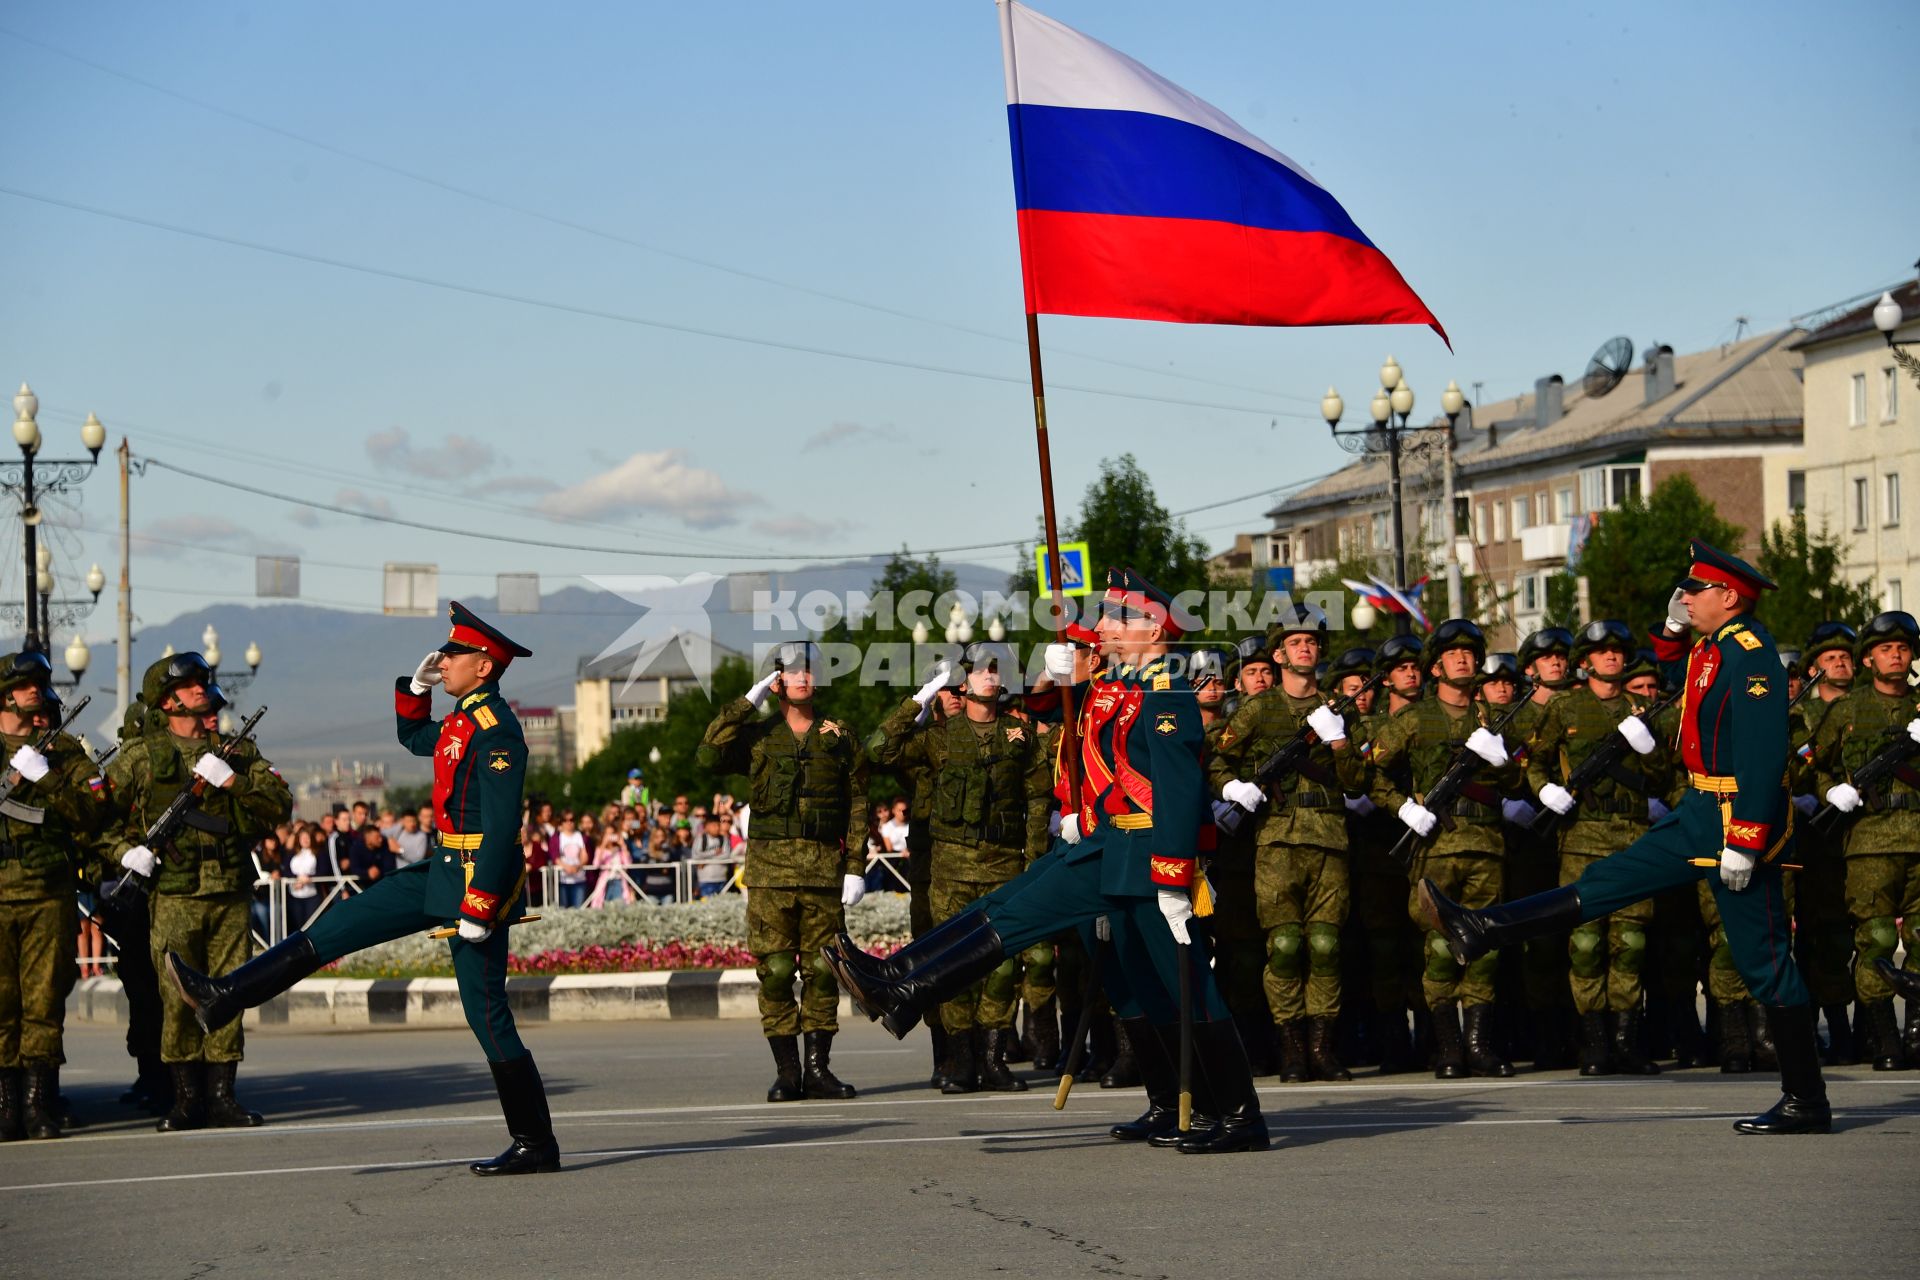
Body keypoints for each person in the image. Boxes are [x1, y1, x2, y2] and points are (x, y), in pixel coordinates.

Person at [828, 568, 1269, 1154]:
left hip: (1144, 858)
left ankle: (1240, 1117)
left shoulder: (1167, 692)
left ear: (1154, 628)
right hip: (1107, 849)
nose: (1104, 628)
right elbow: (1052, 708)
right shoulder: (1121, 685)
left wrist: (1172, 877)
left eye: (1116, 619)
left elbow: (1180, 790)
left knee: (1181, 984)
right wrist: (1049, 677)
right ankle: (900, 979)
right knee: (1118, 970)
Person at [1423, 540, 1832, 1134]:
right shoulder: (1714, 647)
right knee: (1608, 879)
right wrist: (1670, 630)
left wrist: (1745, 838)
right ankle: (1484, 928)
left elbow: (1767, 753)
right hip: (1700, 807)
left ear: (1728, 596)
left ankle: (1807, 1099)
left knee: (1763, 963)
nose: (1686, 598)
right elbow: (1681, 676)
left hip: (1739, 818)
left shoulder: (1752, 654)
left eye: (1695, 591)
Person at [165, 601, 561, 1174]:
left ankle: (535, 1142)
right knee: (337, 926)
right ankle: (224, 996)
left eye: (453, 655)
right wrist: (416, 689)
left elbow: (502, 829)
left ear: (484, 665)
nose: (443, 660)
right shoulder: (462, 721)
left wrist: (481, 903)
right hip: (443, 870)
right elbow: (413, 737)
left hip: (478, 883)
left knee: (487, 1015)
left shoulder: (497, 731)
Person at [108, 653, 293, 1132]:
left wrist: (231, 781)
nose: (202, 691)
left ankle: (222, 1096)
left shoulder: (237, 752)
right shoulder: (141, 757)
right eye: (191, 686)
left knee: (229, 991)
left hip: (229, 890)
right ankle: (186, 1098)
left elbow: (280, 805)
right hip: (174, 895)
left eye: (202, 684)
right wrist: (127, 852)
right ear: (169, 701)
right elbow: (95, 817)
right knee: (176, 997)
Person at [869, 642, 1051, 1093]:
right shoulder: (939, 737)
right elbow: (878, 749)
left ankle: (993, 1059)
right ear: (963, 681)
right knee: (952, 969)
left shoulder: (1019, 735)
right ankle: (960, 1061)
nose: (990, 676)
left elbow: (1038, 797)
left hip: (1005, 866)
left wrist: (1034, 863)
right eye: (980, 670)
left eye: (996, 669)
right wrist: (919, 698)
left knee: (1003, 967)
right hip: (949, 867)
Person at [697, 640, 866, 1102]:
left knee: (822, 970)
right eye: (792, 671)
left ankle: (818, 1070)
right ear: (777, 682)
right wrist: (745, 703)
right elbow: (708, 755)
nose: (804, 677)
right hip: (770, 873)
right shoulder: (758, 736)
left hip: (823, 872)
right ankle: (787, 1072)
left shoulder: (839, 736)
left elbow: (857, 804)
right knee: (773, 971)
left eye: (810, 670)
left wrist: (855, 866)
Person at [1366, 620, 1526, 1080]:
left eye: (1470, 653)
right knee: (1439, 948)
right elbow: (1369, 775)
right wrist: (1403, 809)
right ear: (1435, 667)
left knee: (1485, 946)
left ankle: (1478, 1045)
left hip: (1486, 847)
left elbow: (1518, 785)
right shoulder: (1414, 719)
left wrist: (1501, 760)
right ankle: (1448, 1048)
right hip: (1433, 849)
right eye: (1453, 654)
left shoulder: (1491, 719)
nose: (1463, 659)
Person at [1210, 607, 1362, 1083]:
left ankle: (1322, 1049)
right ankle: (1292, 1049)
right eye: (1296, 643)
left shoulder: (1340, 708)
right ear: (1278, 655)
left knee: (1326, 945)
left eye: (1312, 642)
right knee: (1285, 946)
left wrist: (1339, 744)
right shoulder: (1259, 708)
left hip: (1330, 839)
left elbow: (1357, 782)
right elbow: (1216, 760)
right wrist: (1233, 788)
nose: (1306, 649)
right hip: (1276, 840)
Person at [1524, 620, 1669, 1075]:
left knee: (1629, 942)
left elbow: (1667, 773)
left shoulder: (1644, 709)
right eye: (1601, 652)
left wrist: (1650, 749)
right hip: (1582, 838)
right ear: (1584, 662)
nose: (1611, 658)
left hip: (1631, 837)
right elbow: (1535, 762)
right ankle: (1594, 1044)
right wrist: (1545, 792)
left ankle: (1627, 1043)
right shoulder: (1564, 706)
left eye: (1618, 651)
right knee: (1586, 943)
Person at [0, 652, 111, 1140]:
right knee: (1, 1004)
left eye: (42, 687)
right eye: (28, 687)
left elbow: (93, 812)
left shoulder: (64, 751)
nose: (39, 695)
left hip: (48, 894)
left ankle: (37, 1103)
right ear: (5, 696)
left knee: (44, 1002)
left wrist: (44, 774)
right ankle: (6, 1105)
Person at [1809, 610, 1920, 1070]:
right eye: (1885, 649)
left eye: (1903, 647)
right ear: (1869, 659)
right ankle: (1883, 1039)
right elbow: (1809, 765)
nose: (1895, 655)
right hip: (1868, 841)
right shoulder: (1847, 709)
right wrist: (1829, 790)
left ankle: (1915, 1035)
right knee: (1874, 939)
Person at [1790, 623, 1858, 1064]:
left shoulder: (1867, 709)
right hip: (1809, 838)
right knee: (1810, 937)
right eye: (1831, 657)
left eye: (1846, 656)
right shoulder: (1801, 716)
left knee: (1845, 937)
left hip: (1859, 836)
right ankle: (1811, 1030)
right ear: (1815, 668)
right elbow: (1795, 768)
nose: (1840, 662)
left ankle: (1854, 1029)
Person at [285, 825, 324, 933]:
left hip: (312, 895)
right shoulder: (293, 853)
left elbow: (324, 871)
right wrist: (296, 879)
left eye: (308, 837)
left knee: (311, 924)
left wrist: (309, 878)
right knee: (298, 925)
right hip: (294, 894)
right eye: (302, 838)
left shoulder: (318, 853)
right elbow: (286, 871)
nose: (305, 840)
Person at [554, 814, 589, 908]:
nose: (569, 822)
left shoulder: (580, 836)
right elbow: (555, 856)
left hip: (579, 879)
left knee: (579, 910)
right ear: (562, 822)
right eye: (566, 820)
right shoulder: (557, 837)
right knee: (563, 910)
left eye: (571, 819)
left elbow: (585, 855)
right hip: (563, 879)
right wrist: (567, 867)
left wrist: (577, 866)